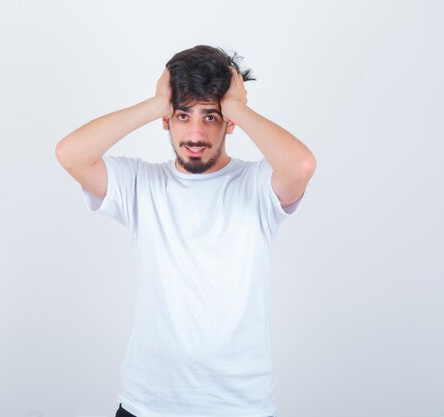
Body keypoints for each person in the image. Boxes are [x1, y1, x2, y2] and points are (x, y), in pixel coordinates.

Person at [55, 45, 317, 417]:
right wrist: (155, 103)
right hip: (147, 404)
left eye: (210, 117)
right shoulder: (142, 185)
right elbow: (71, 154)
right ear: (166, 119)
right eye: (182, 115)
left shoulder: (257, 185)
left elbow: (302, 166)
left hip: (240, 406)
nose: (195, 133)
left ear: (230, 121)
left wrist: (238, 106)